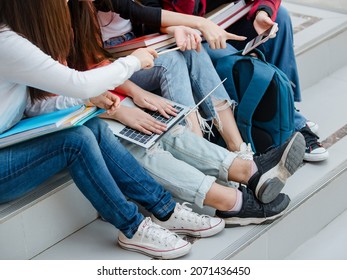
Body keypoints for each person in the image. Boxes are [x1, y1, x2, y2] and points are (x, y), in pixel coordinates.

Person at [26, 0, 306, 230]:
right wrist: (116, 105)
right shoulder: (27, 29)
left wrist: (122, 96)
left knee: (162, 125)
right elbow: (56, 91)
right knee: (130, 138)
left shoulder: (74, 8)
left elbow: (89, 63)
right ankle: (228, 199)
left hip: (92, 88)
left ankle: (246, 167)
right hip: (59, 115)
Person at [0, 0, 229, 260]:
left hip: (9, 142)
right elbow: (80, 83)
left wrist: (86, 100)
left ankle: (165, 209)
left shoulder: (15, 36)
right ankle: (132, 227)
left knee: (94, 127)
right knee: (76, 141)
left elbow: (35, 104)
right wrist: (130, 63)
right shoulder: (6, 43)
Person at [142, 0, 329, 162]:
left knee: (279, 16)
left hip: (224, 20)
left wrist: (263, 12)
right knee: (227, 55)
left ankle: (286, 109)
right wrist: (199, 25)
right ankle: (290, 123)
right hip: (184, 36)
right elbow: (149, 16)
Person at [92, 0, 256, 155]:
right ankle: (204, 154)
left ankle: (239, 149)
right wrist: (201, 23)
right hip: (110, 59)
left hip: (140, 44)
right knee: (172, 62)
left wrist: (173, 29)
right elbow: (136, 11)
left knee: (194, 51)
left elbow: (149, 16)